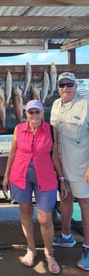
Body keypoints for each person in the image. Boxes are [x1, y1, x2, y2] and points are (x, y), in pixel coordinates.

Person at [3, 99, 67, 275]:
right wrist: (6, 174)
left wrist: (61, 177)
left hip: (45, 177)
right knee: (25, 213)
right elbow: (13, 152)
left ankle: (49, 253)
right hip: (20, 175)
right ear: (26, 114)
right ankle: (30, 248)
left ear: (42, 113)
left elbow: (54, 156)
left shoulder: (51, 130)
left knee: (45, 218)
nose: (34, 115)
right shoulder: (18, 129)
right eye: (30, 112)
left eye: (37, 112)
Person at [50, 72, 89, 271]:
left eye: (69, 84)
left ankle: (87, 248)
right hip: (63, 166)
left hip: (83, 167)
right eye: (61, 84)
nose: (65, 88)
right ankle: (66, 236)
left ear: (76, 86)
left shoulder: (86, 104)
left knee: (85, 205)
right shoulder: (56, 105)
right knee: (65, 199)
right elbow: (55, 138)